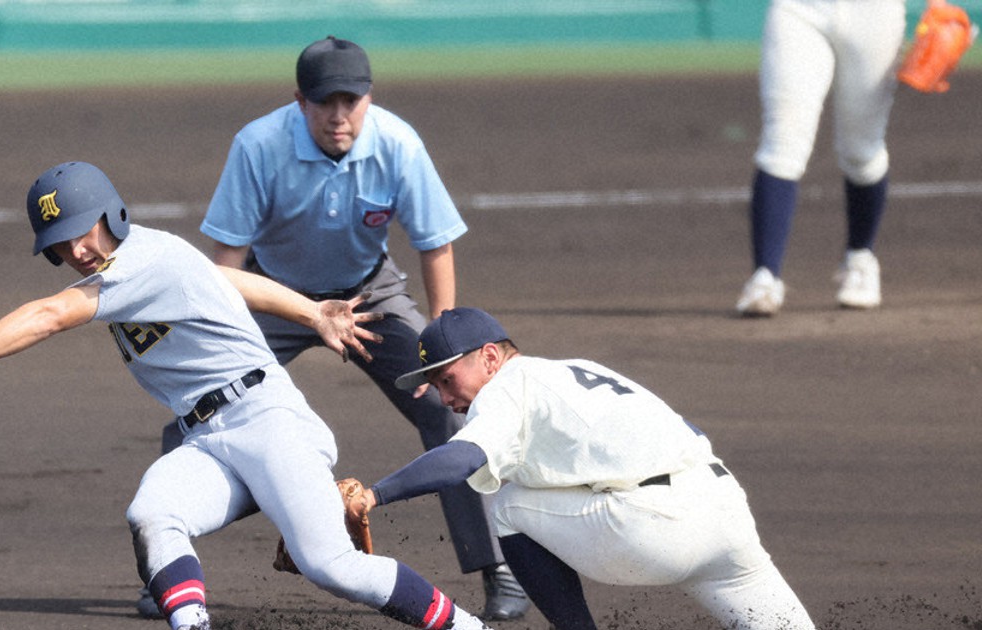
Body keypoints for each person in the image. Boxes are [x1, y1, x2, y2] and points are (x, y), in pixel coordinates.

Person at [0, 160, 497, 630]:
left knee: (331, 566)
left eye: (81, 231)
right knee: (154, 512)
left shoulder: (139, 264)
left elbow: (48, 314)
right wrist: (311, 313)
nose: (76, 250)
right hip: (212, 438)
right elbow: (224, 277)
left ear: (110, 214)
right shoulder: (149, 260)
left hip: (268, 422)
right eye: (60, 244)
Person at [179, 35, 529, 620]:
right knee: (197, 404)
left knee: (446, 407)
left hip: (370, 293)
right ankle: (168, 560)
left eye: (352, 101)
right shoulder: (258, 146)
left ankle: (497, 568)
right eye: (325, 103)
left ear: (369, 97)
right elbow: (227, 265)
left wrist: (443, 344)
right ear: (300, 101)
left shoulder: (397, 143)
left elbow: (434, 243)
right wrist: (222, 348)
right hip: (277, 295)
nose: (339, 117)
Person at [351, 307, 819, 630]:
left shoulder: (508, 387)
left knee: (509, 507)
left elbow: (460, 459)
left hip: (656, 530)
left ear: (491, 357)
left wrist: (375, 494)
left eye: (447, 380)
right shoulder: (579, 370)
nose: (446, 399)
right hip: (725, 512)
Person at [736, 0, 905, 316]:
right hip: (799, 8)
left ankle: (860, 258)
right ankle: (764, 276)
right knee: (783, 141)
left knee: (861, 151)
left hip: (875, 13)